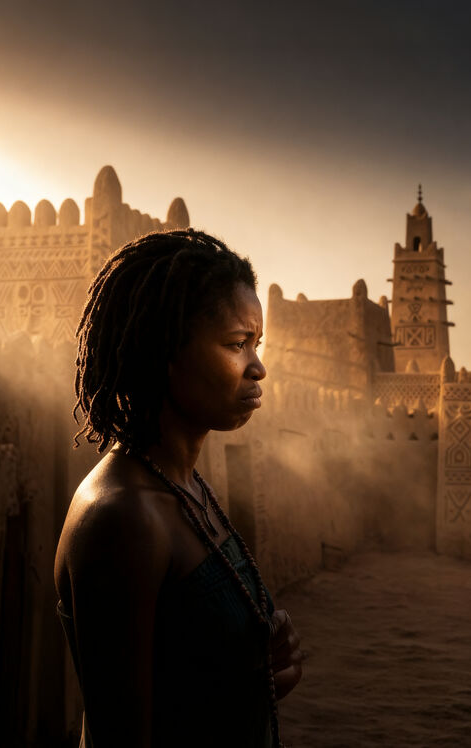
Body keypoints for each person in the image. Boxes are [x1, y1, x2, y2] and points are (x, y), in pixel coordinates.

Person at [54, 230, 302, 747]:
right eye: (237, 345)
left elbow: (187, 688)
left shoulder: (184, 488)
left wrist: (258, 675)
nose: (258, 367)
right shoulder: (124, 517)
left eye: (257, 345)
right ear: (163, 346)